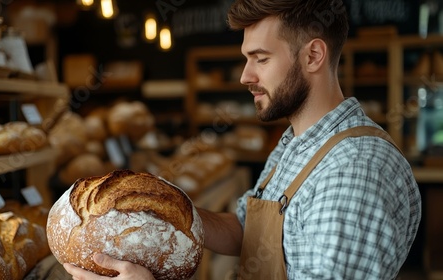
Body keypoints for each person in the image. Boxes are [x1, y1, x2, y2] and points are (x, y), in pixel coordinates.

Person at [64, 0, 422, 279]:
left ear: (313, 55)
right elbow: (245, 230)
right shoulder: (298, 144)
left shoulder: (351, 171)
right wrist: (155, 218)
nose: (245, 76)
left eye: (260, 59)